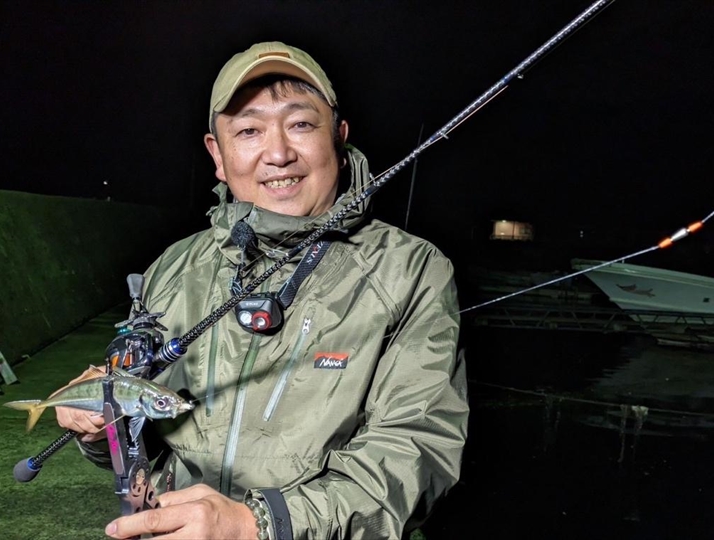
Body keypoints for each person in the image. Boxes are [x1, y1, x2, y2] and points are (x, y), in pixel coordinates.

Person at [56, 41, 468, 540]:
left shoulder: (412, 269)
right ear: (218, 154)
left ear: (338, 138)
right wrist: (102, 425)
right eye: (249, 131)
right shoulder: (173, 266)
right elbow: (145, 441)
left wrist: (260, 525)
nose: (278, 154)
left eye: (301, 124)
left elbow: (417, 453)